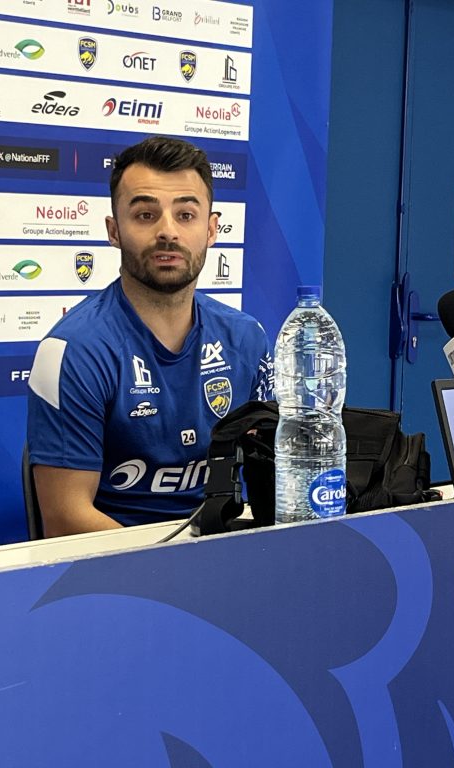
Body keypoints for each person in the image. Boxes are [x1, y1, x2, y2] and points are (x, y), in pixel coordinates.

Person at [27, 136, 273, 536]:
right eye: (145, 215)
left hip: (223, 557)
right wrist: (174, 572)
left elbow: (276, 475)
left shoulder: (247, 339)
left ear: (212, 229)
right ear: (114, 230)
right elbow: (64, 519)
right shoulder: (75, 350)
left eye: (186, 215)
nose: (167, 232)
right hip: (111, 574)